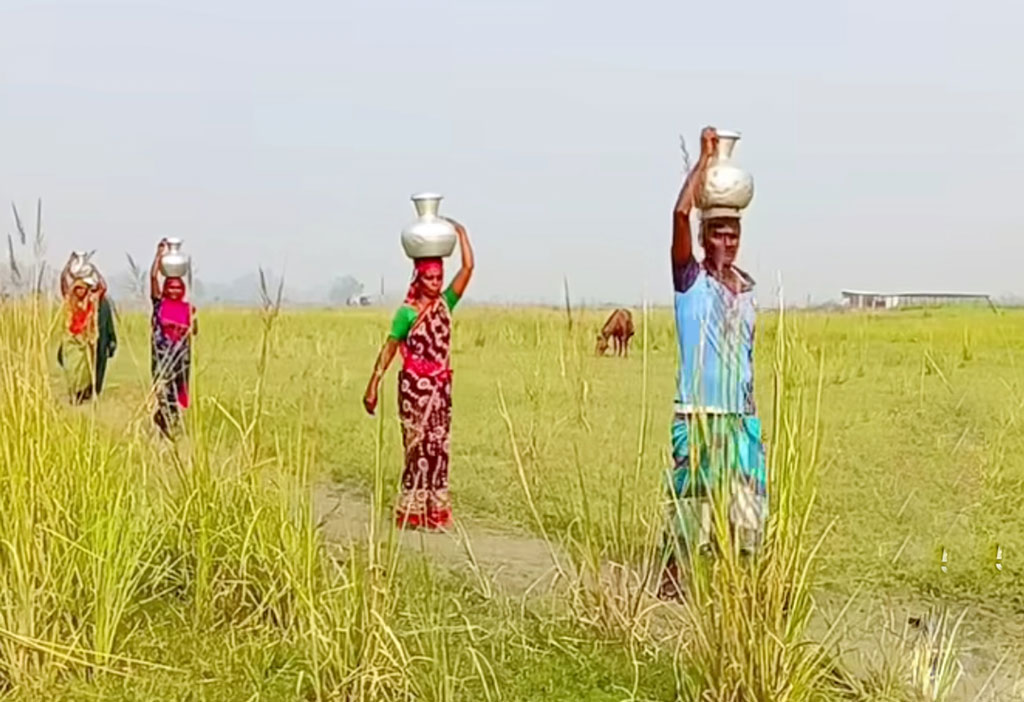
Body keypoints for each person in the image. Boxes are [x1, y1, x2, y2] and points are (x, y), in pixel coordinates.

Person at [660, 126, 767, 599]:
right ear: (704, 238)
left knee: (749, 511)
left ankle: (744, 588)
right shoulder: (690, 282)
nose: (727, 239)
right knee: (690, 511)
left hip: (740, 422)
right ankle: (671, 587)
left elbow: (746, 358)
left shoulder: (747, 291)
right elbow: (680, 214)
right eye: (717, 231)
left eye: (733, 231)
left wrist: (751, 415)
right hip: (698, 416)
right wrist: (703, 163)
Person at [362, 219, 475, 530]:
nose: (436, 283)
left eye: (439, 277)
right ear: (418, 278)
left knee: (439, 447)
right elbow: (389, 348)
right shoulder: (407, 313)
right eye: (430, 278)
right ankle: (412, 510)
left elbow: (467, 270)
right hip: (414, 389)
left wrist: (462, 235)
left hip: (440, 389)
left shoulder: (445, 304)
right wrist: (373, 384)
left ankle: (434, 511)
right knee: (416, 447)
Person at [150, 239, 196, 437]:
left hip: (182, 357)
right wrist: (159, 254)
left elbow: (194, 332)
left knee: (176, 391)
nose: (174, 291)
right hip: (162, 356)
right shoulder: (159, 304)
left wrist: (188, 327)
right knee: (164, 389)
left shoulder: (188, 308)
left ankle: (169, 422)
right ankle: (166, 422)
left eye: (178, 288)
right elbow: (153, 278)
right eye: (171, 287)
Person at [57, 257, 116, 403]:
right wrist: (68, 267)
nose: (79, 291)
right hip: (73, 340)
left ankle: (84, 393)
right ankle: (75, 392)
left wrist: (93, 269)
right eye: (76, 288)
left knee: (85, 369)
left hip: (86, 339)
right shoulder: (71, 300)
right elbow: (63, 284)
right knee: (72, 368)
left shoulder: (92, 300)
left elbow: (103, 287)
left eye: (82, 288)